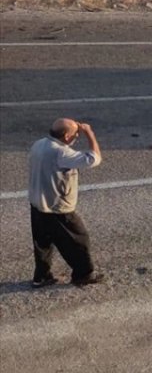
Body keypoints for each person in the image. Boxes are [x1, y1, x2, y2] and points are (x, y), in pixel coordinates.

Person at [28, 118, 104, 287]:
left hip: (37, 203)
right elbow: (94, 158)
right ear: (67, 136)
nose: (77, 136)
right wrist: (90, 134)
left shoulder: (39, 144)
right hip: (57, 206)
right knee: (79, 239)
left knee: (43, 243)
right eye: (76, 134)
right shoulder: (61, 153)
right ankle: (83, 274)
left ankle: (41, 276)